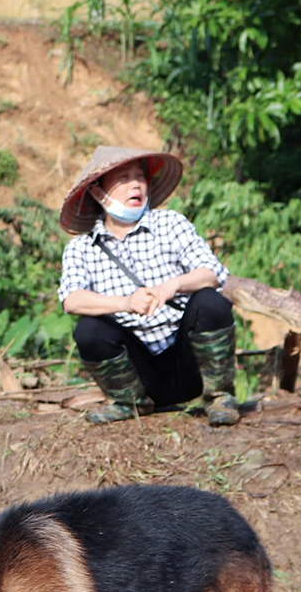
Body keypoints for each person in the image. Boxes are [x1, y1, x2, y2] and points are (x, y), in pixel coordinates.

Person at [57, 146, 241, 427]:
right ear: (98, 193)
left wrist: (172, 286)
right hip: (138, 372)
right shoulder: (81, 249)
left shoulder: (171, 224)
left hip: (189, 361)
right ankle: (130, 403)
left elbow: (212, 273)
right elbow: (72, 300)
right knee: (88, 329)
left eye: (140, 177)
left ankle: (219, 396)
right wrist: (125, 303)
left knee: (210, 302)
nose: (136, 184)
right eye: (124, 179)